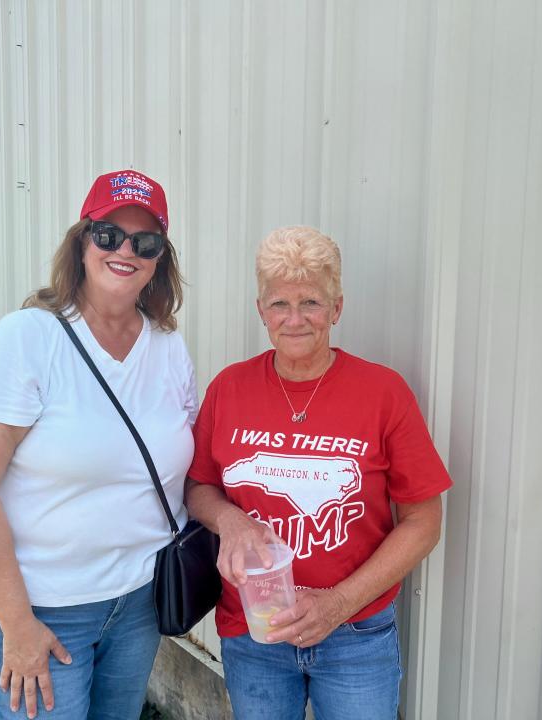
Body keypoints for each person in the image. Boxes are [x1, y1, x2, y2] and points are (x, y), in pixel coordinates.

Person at [0, 170, 197, 719]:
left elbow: (184, 468)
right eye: (109, 234)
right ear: (82, 241)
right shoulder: (28, 337)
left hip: (139, 604)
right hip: (45, 609)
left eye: (145, 241)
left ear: (160, 258)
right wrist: (17, 624)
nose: (125, 250)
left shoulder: (169, 347)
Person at [185, 226, 453, 720]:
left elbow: (424, 521)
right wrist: (232, 521)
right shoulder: (230, 388)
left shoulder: (383, 392)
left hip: (355, 633)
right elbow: (198, 485)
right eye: (279, 303)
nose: (294, 320)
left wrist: (338, 603)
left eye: (310, 301)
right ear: (260, 309)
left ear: (337, 308)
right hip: (254, 629)